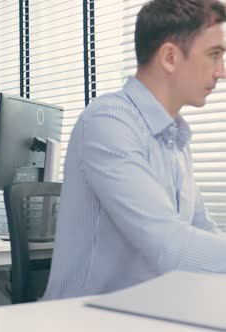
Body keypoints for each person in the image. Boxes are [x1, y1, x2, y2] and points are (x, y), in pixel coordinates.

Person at [42, 0, 226, 300]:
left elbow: (204, 231)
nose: (221, 72)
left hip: (147, 312)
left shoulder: (175, 138)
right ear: (169, 57)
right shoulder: (109, 123)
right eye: (214, 55)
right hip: (85, 319)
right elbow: (170, 246)